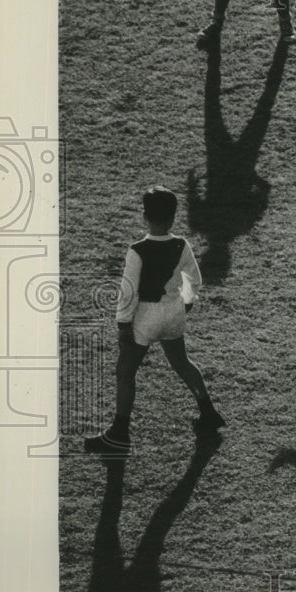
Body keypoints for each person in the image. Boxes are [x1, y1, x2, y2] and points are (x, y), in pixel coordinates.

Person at [85, 187, 225, 456]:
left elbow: (129, 292)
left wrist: (123, 324)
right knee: (182, 363)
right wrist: (186, 302)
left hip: (146, 318)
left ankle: (119, 433)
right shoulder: (181, 244)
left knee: (125, 372)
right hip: (173, 313)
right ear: (173, 217)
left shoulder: (136, 250)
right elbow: (194, 279)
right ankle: (209, 412)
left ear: (144, 216)